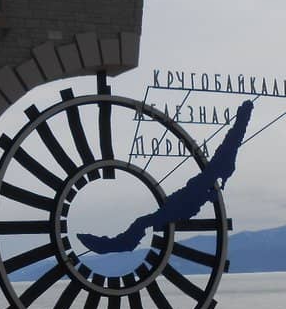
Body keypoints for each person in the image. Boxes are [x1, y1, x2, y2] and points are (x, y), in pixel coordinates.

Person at [77, 100, 253, 255]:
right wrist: (243, 116)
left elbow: (233, 140)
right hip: (180, 204)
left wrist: (243, 116)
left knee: (142, 222)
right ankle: (116, 244)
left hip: (179, 206)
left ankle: (117, 244)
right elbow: (233, 141)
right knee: (142, 222)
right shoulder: (210, 177)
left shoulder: (209, 177)